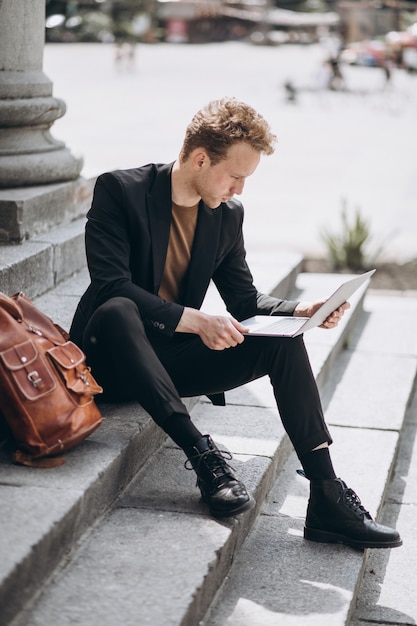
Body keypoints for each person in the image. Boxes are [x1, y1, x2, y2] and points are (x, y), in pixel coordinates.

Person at [70, 97, 401, 551]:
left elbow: (245, 299)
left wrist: (300, 311)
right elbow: (111, 286)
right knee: (119, 309)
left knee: (282, 344)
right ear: (200, 158)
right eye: (236, 176)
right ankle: (204, 456)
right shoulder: (120, 190)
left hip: (170, 359)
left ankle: (327, 495)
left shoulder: (227, 215)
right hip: (109, 357)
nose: (240, 190)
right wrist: (195, 320)